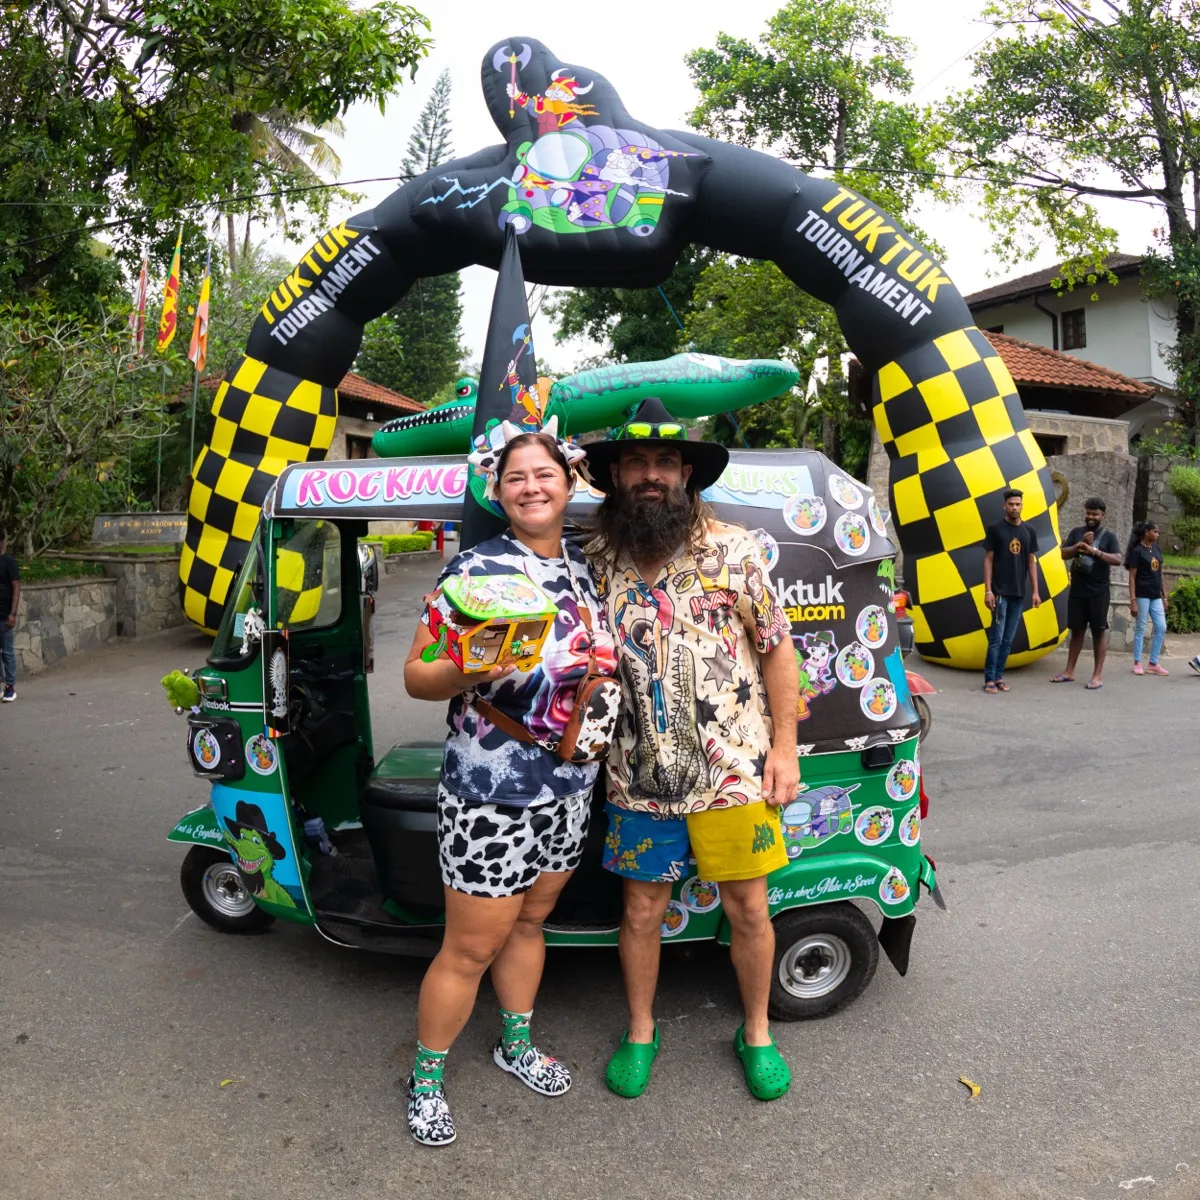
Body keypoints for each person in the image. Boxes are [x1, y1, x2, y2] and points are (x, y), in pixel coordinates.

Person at [401, 423, 617, 1147]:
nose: (531, 487)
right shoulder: (474, 571)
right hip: (491, 793)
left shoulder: (589, 568)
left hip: (571, 788)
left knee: (530, 924)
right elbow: (416, 676)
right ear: (497, 492)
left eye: (544, 473)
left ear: (569, 482)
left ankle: (515, 1045)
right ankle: (425, 1080)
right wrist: (466, 669)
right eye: (516, 477)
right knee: (470, 948)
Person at [583, 397, 800, 1103]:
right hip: (635, 775)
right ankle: (641, 1030)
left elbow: (778, 649)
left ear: (686, 475)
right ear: (616, 476)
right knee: (641, 911)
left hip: (734, 772)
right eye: (637, 462)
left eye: (666, 462)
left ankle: (757, 1033)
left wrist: (786, 749)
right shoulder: (595, 561)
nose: (652, 474)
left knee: (749, 909)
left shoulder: (736, 550)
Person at [1050, 498, 1122, 689]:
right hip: (1077, 590)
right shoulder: (1077, 532)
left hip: (1099, 592)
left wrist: (1094, 551)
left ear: (1102, 516)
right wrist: (1079, 545)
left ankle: (1097, 676)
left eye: (1095, 514)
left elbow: (1117, 559)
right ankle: (1069, 671)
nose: (1091, 517)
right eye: (1088, 513)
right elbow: (1063, 554)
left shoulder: (1109, 536)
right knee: (1077, 631)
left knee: (1098, 632)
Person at [982, 488, 1041, 695]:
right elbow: (988, 560)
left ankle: (999, 676)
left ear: (1022, 505)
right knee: (996, 639)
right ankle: (989, 679)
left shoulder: (1029, 531)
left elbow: (1031, 562)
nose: (1014, 507)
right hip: (999, 593)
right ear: (1004, 506)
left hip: (1018, 593)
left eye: (1017, 504)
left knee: (1008, 640)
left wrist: (1035, 591)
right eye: (1011, 504)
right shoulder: (995, 528)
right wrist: (988, 590)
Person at [1125, 520, 1169, 675]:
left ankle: (1153, 663)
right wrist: (1133, 601)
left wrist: (1165, 596)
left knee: (1161, 627)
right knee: (1141, 628)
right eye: (1155, 531)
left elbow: (1160, 573)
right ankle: (1137, 662)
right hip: (1142, 595)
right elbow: (1132, 577)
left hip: (1156, 596)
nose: (1157, 534)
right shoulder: (1137, 551)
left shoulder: (1156, 548)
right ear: (1146, 532)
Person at [0, 526, 19, 702]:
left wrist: (12, 613)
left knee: (7, 653)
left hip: (5, 616)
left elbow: (16, 587)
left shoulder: (9, 561)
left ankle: (10, 687)